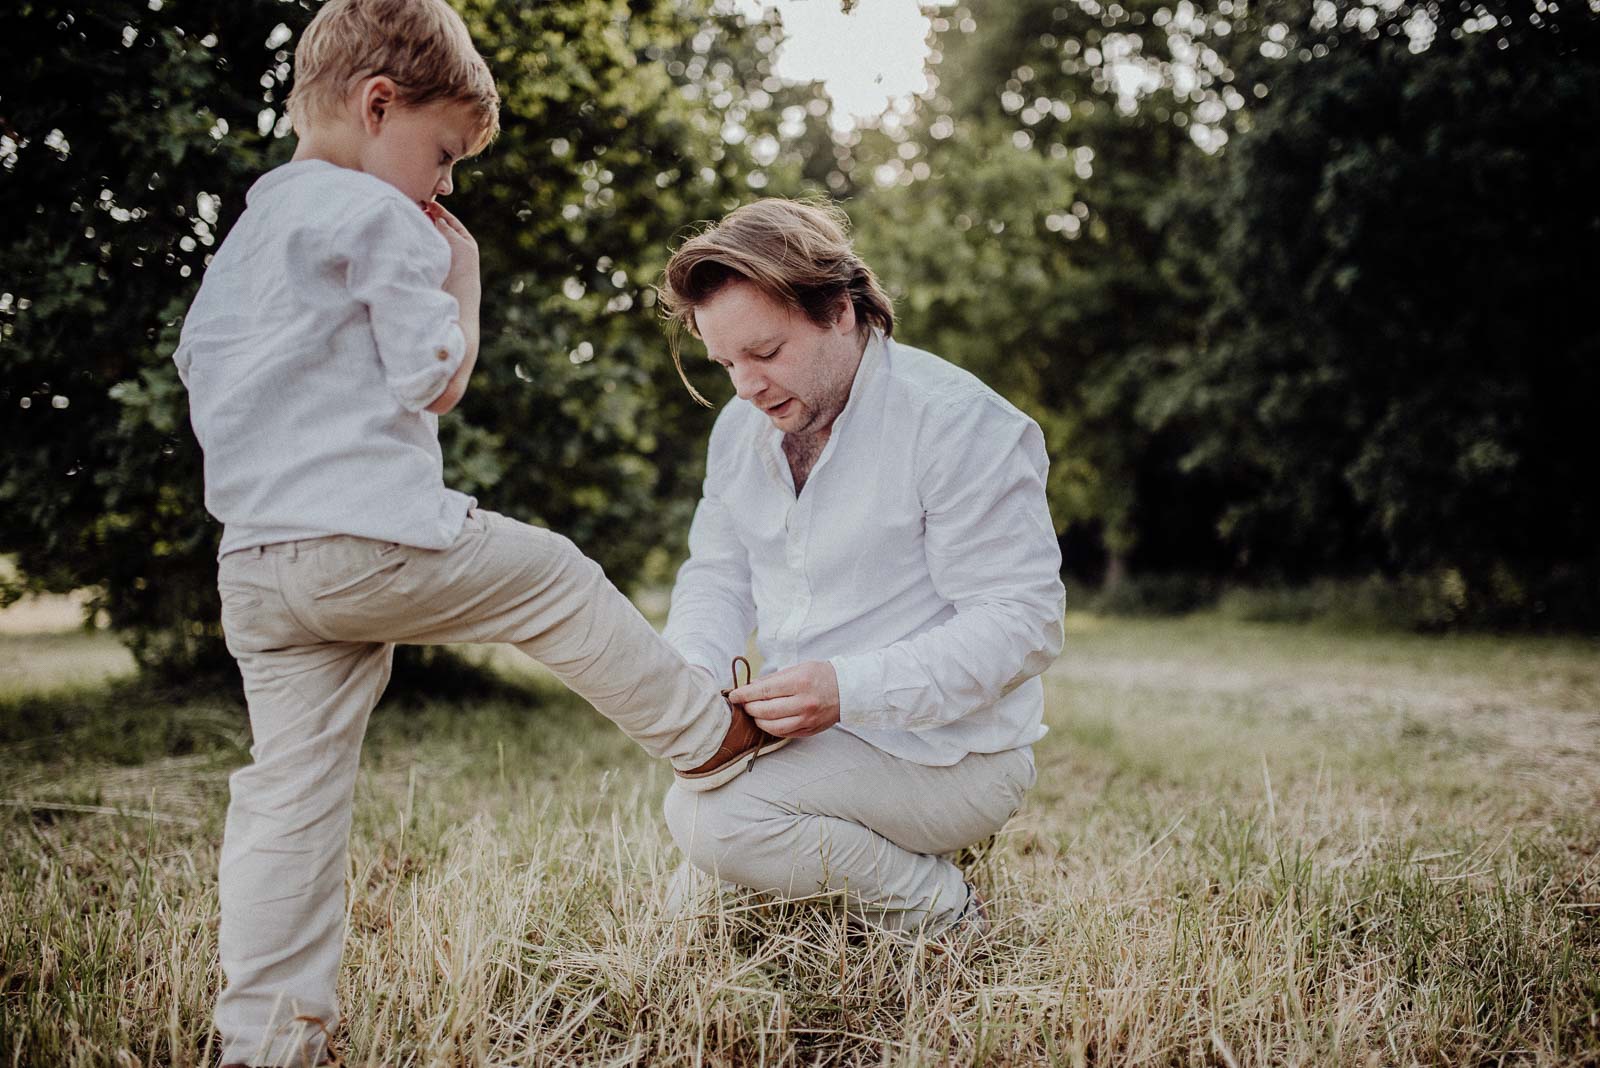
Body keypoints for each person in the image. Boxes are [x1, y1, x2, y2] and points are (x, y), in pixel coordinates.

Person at [173, 2, 767, 1063]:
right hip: (367, 537)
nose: (444, 185)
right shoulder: (377, 217)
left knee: (290, 799)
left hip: (259, 564)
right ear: (377, 104)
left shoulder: (254, 230)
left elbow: (203, 375)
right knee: (552, 578)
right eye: (443, 155)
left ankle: (263, 1040)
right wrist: (464, 280)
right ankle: (705, 736)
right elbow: (432, 381)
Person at [656, 199, 1066, 940]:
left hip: (953, 754)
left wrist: (848, 689)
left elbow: (1024, 624)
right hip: (807, 744)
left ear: (840, 309)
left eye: (766, 352)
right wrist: (691, 677)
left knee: (709, 823)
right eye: (726, 364)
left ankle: (946, 912)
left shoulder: (961, 423)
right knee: (691, 918)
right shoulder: (741, 427)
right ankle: (834, 855)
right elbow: (717, 574)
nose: (744, 386)